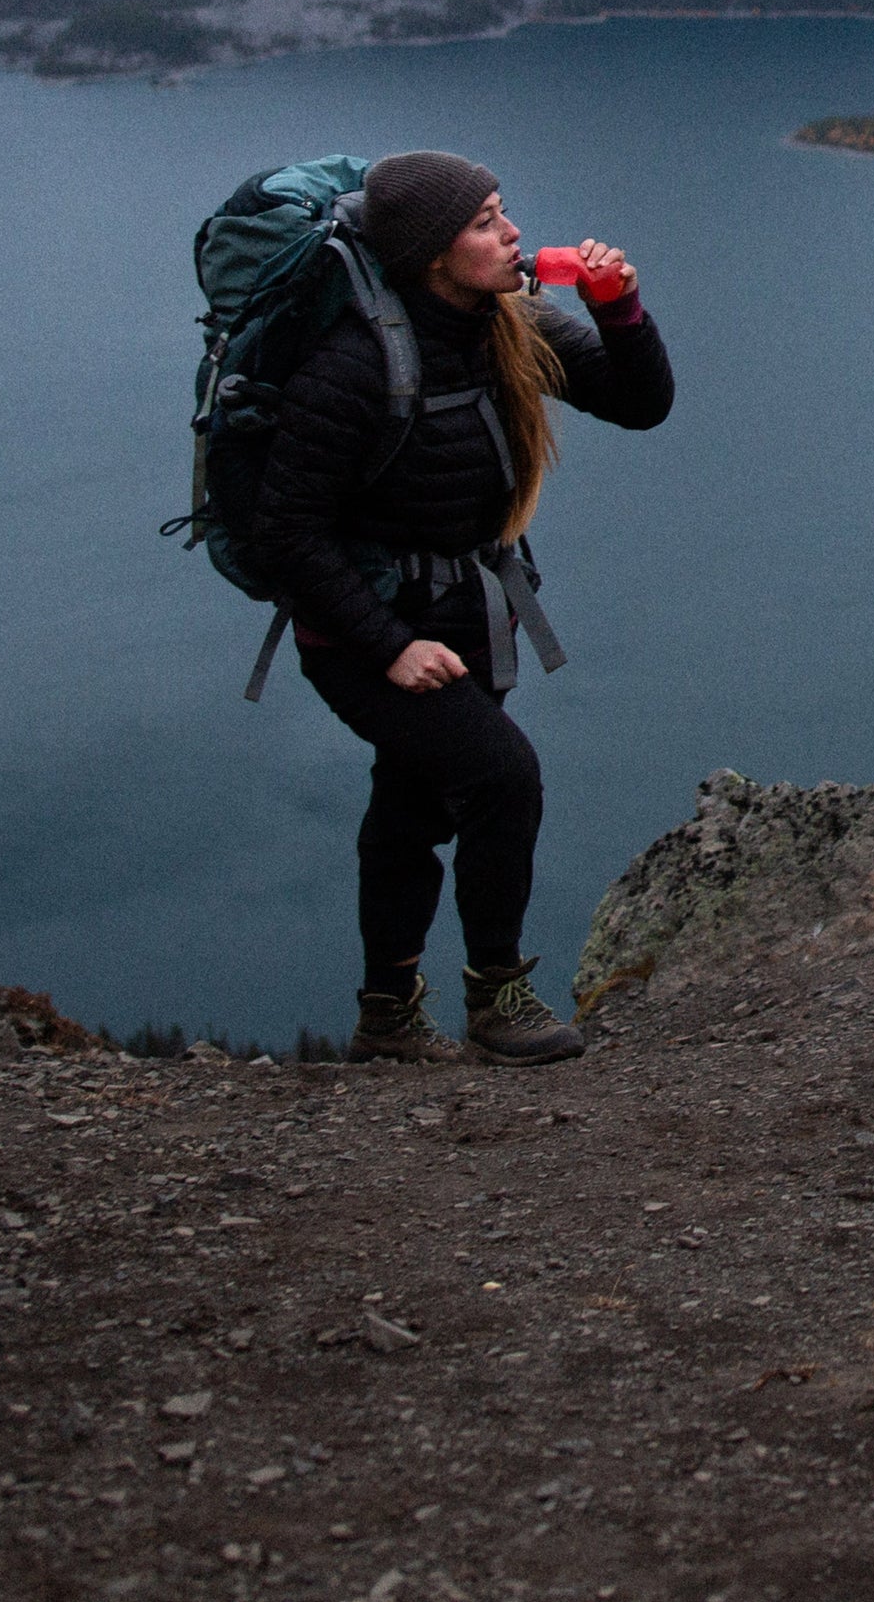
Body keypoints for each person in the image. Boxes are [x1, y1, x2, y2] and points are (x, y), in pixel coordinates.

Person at [252, 150, 674, 1065]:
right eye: (485, 222)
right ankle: (498, 998)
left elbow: (641, 405)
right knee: (501, 777)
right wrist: (389, 647)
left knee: (411, 806)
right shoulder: (354, 363)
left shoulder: (510, 322)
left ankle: (387, 1019)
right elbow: (286, 533)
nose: (513, 232)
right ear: (431, 254)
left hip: (467, 617)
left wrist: (620, 310)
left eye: (502, 210)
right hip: (361, 630)